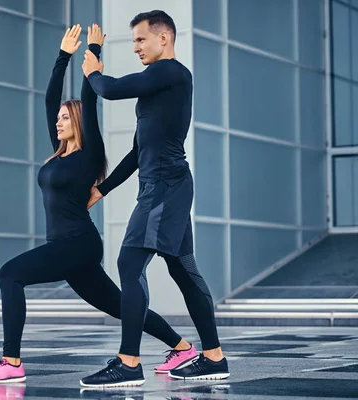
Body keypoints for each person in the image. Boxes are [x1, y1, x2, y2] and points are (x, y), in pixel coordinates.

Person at [0, 23, 199, 385]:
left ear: (77, 123)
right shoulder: (58, 153)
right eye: (59, 119)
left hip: (77, 244)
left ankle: (11, 361)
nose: (59, 122)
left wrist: (93, 53)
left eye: (66, 118)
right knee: (117, 303)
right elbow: (50, 100)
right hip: (66, 247)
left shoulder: (90, 155)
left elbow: (90, 99)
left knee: (10, 274)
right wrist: (63, 57)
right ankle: (182, 346)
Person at [79, 10, 230, 386]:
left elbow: (109, 89)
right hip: (163, 186)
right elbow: (136, 152)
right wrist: (103, 188)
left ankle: (128, 363)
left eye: (141, 40)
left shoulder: (171, 72)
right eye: (133, 42)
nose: (136, 48)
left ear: (164, 38)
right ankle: (214, 358)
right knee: (183, 270)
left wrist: (93, 70)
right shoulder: (155, 89)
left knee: (129, 263)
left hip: (165, 186)